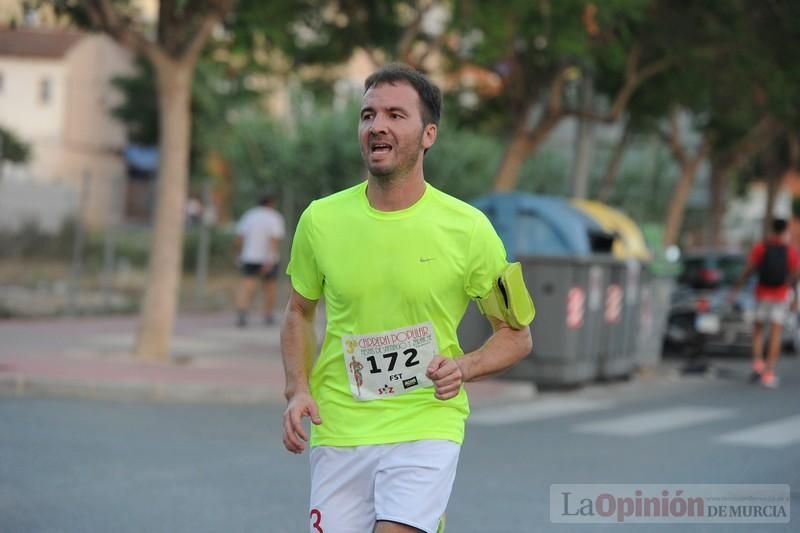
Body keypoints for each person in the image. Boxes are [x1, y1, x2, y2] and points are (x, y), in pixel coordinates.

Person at [281, 63, 534, 533]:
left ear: (428, 134)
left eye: (396, 115)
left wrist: (464, 367)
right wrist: (298, 387)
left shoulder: (470, 229)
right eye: (368, 115)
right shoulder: (320, 220)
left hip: (426, 424)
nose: (377, 126)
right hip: (340, 428)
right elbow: (299, 312)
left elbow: (517, 337)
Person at [730, 218, 799, 388]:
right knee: (776, 333)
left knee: (758, 329)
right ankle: (768, 373)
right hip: (780, 295)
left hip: (761, 294)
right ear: (785, 231)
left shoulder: (761, 247)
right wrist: (795, 298)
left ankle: (758, 363)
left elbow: (748, 269)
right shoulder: (790, 251)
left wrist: (736, 289)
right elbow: (795, 276)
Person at [234, 192, 285, 327]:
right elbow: (274, 240)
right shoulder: (274, 217)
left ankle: (242, 313)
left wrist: (238, 254)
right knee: (269, 287)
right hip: (267, 258)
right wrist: (270, 259)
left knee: (247, 285)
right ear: (271, 203)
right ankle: (268, 314)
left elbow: (240, 236)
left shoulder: (249, 215)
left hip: (249, 256)